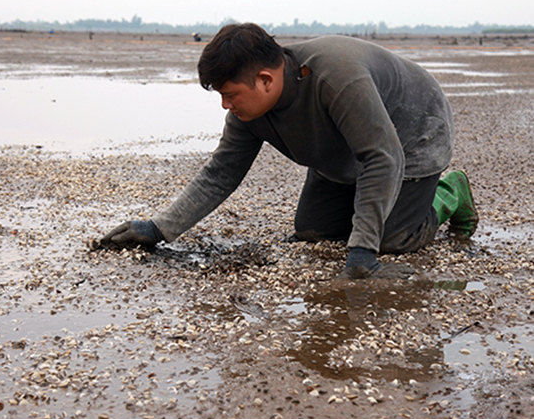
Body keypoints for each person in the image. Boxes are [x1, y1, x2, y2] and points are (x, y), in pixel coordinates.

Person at [101, 23, 478, 279]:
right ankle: (369, 208)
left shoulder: (335, 76)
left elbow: (382, 157)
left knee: (391, 241)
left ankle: (449, 192)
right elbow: (221, 173)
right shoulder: (248, 111)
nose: (225, 106)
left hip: (413, 136)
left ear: (265, 79)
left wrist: (364, 252)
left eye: (229, 95)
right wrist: (159, 228)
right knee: (313, 231)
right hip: (348, 154)